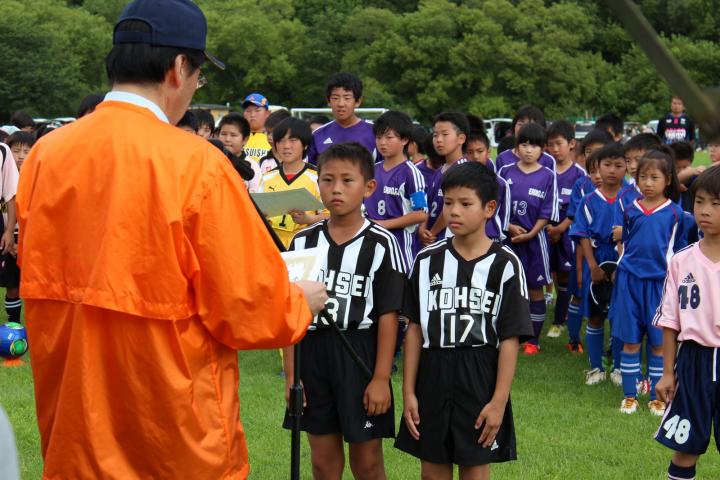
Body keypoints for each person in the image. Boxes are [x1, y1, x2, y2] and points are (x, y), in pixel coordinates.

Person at [15, 1, 328, 477]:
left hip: (74, 428)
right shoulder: (195, 163)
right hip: (173, 435)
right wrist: (298, 301)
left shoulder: (46, 155)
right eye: (199, 76)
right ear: (180, 68)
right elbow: (245, 307)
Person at [396, 161, 532, 480]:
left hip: (479, 370)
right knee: (431, 470)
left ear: (489, 208)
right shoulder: (426, 260)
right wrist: (408, 391)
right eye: (447, 203)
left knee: (474, 468)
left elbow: (510, 339)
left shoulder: (506, 264)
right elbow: (414, 329)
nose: (453, 212)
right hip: (432, 369)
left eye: (465, 203)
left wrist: (498, 401)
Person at [282, 142, 406, 480]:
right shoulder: (303, 242)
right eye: (327, 180)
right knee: (323, 461)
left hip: (360, 353)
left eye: (347, 181)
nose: (336, 189)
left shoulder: (382, 243)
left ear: (368, 187)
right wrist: (293, 377)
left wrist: (381, 378)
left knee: (366, 462)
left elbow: (388, 315)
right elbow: (290, 313)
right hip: (312, 354)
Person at [653, 165, 720, 480]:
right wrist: (668, 373)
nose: (705, 211)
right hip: (694, 361)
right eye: (700, 201)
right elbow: (670, 321)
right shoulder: (681, 261)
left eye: (716, 204)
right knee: (685, 446)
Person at [611, 148, 685, 416]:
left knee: (657, 344)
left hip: (660, 286)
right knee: (630, 342)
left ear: (667, 180)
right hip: (629, 283)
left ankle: (657, 397)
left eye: (654, 177)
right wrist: (620, 267)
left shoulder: (677, 214)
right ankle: (630, 396)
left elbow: (680, 253)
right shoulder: (630, 210)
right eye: (643, 177)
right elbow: (624, 243)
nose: (648, 183)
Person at [498, 123, 559, 355]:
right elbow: (496, 206)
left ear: (543, 149)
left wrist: (532, 232)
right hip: (508, 240)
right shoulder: (505, 172)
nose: (528, 149)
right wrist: (510, 227)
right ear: (517, 146)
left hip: (536, 241)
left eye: (534, 145)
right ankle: (506, 334)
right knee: (506, 289)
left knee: (535, 289)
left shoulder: (548, 176)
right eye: (524, 144)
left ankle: (532, 340)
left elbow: (548, 211)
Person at [570, 143, 627, 385]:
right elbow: (581, 234)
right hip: (597, 256)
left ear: (627, 167)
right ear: (596, 169)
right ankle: (595, 367)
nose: (612, 170)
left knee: (621, 315)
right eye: (606, 165)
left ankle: (618, 366)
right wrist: (592, 266)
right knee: (595, 315)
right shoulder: (589, 200)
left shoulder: (633, 198)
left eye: (618, 165)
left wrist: (624, 237)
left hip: (624, 261)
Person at [364, 110, 427, 268]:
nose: (382, 142)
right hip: (370, 244)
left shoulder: (411, 173)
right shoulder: (371, 170)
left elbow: (420, 213)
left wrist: (384, 224)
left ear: (404, 139)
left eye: (389, 137)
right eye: (379, 137)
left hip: (399, 250)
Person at [545, 121, 586, 339]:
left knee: (564, 276)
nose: (554, 149)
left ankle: (559, 321)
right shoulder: (544, 170)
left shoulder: (580, 174)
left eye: (558, 143)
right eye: (550, 144)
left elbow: (580, 208)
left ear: (571, 144)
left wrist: (561, 228)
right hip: (544, 230)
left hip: (567, 232)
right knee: (543, 275)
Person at [259, 117, 327, 248]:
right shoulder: (267, 178)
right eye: (281, 141)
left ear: (305, 144)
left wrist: (309, 219)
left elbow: (332, 217)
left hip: (305, 246)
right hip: (272, 246)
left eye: (293, 140)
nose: (286, 146)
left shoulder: (318, 177)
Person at [306, 72, 379, 165]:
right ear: (329, 101)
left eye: (347, 98)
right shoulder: (318, 135)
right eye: (335, 98)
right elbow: (312, 172)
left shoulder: (375, 132)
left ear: (358, 101)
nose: (341, 103)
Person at [1, 132, 33, 324]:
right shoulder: (5, 176)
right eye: (16, 150)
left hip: (30, 241)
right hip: (9, 238)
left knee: (32, 288)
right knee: (12, 286)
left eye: (26, 151)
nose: (21, 156)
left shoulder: (37, 176)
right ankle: (15, 324)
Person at [495, 105, 555, 171]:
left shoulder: (548, 160)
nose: (525, 128)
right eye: (521, 124)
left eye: (531, 125)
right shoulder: (502, 158)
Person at [218, 112, 262, 192]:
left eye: (233, 135)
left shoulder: (252, 166)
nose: (227, 139)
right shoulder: (212, 160)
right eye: (223, 134)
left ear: (245, 140)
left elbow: (256, 196)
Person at [258, 108, 292, 174]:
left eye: (273, 133)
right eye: (268, 132)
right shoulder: (263, 161)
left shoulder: (298, 160)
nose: (269, 137)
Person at [242, 92, 272, 162]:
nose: (252, 115)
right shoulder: (237, 137)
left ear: (267, 113)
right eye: (248, 111)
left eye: (257, 110)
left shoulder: (275, 138)